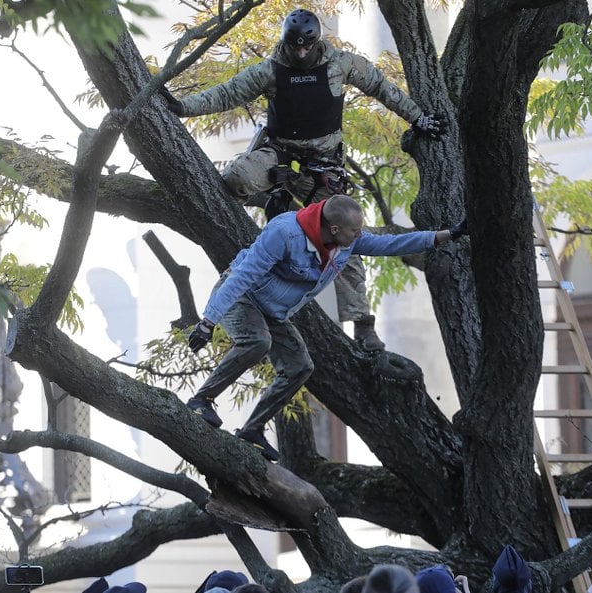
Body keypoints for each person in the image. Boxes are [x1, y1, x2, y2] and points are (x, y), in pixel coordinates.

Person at [162, 8, 444, 352]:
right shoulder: (270, 70)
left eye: (305, 47)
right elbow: (226, 94)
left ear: (315, 42)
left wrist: (419, 119)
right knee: (235, 178)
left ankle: (363, 324)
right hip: (280, 157)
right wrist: (181, 107)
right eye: (294, 47)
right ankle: (269, 211)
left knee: (349, 242)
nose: (299, 53)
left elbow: (382, 87)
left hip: (324, 169)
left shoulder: (341, 64)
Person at [186, 195, 466, 461]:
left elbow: (389, 244)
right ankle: (201, 401)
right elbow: (243, 276)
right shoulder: (284, 232)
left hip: (273, 310)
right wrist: (208, 322)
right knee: (258, 342)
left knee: (300, 367)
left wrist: (445, 235)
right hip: (241, 296)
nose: (359, 235)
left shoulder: (344, 242)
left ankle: (252, 430)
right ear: (334, 228)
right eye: (355, 230)